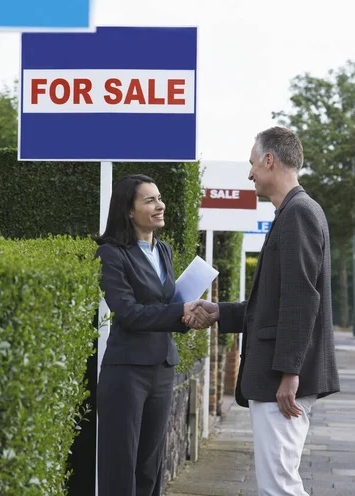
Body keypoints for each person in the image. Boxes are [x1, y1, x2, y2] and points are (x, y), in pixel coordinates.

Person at [184, 127, 340, 496]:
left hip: (280, 381)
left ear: (270, 160)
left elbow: (302, 300)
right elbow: (273, 305)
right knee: (278, 483)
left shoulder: (298, 213)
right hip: (279, 376)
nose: (250, 173)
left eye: (252, 164)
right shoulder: (294, 211)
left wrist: (289, 373)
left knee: (279, 486)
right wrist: (220, 311)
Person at [95, 174, 195, 496]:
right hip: (127, 371)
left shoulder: (163, 249)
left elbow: (166, 300)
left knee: (151, 466)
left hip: (162, 367)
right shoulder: (111, 254)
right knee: (120, 465)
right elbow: (127, 312)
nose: (160, 205)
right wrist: (180, 312)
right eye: (149, 200)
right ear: (128, 210)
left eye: (159, 198)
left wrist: (192, 309)